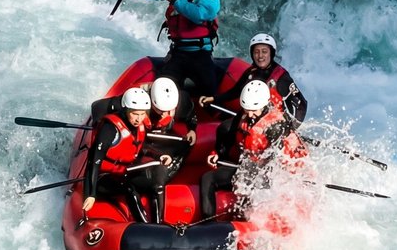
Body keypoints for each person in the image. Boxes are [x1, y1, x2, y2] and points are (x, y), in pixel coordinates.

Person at [198, 79, 307, 220]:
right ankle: (208, 224)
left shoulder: (275, 127)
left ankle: (246, 224)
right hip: (248, 166)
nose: (249, 115)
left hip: (272, 174)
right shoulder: (246, 114)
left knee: (248, 181)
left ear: (264, 105)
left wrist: (254, 169)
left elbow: (277, 164)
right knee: (207, 178)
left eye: (253, 111)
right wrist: (217, 153)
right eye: (247, 110)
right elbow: (231, 132)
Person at [133, 0, 221, 98]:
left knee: (210, 92)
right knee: (162, 91)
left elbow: (202, 14)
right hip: (178, 53)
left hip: (201, 53)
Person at [81, 86, 170, 223]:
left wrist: (158, 156)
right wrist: (90, 194)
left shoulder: (140, 126)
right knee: (129, 189)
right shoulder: (110, 128)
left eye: (142, 114)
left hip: (125, 172)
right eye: (135, 114)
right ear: (126, 109)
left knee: (155, 184)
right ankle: (146, 226)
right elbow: (94, 161)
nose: (138, 119)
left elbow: (141, 148)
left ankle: (159, 224)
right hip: (103, 177)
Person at [204, 33, 308, 123]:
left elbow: (301, 104)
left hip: (272, 122)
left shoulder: (282, 78)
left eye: (264, 51)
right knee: (224, 130)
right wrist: (214, 99)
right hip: (251, 114)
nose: (260, 56)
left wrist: (291, 127)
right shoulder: (251, 72)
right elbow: (236, 91)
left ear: (271, 53)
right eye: (256, 52)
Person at [131, 77, 193, 223]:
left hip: (166, 140)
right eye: (160, 111)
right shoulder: (141, 102)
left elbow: (191, 117)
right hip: (146, 142)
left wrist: (193, 129)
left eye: (168, 111)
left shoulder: (181, 100)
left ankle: (162, 177)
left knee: (184, 146)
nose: (165, 115)